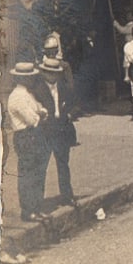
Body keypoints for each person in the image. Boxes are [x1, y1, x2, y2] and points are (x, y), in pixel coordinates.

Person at [5, 62, 52, 221]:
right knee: (28, 174)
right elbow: (32, 119)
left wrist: (41, 114)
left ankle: (37, 207)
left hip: (34, 134)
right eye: (30, 77)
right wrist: (40, 115)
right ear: (22, 78)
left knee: (38, 172)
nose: (32, 79)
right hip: (25, 136)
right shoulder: (17, 96)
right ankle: (28, 210)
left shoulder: (28, 93)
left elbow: (40, 108)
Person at [35, 57, 77, 208]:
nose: (53, 76)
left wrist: (69, 113)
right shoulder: (37, 89)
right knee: (42, 166)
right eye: (49, 73)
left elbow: (72, 101)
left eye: (55, 73)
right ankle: (38, 201)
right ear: (44, 73)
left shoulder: (63, 86)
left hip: (61, 130)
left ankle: (67, 196)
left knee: (63, 164)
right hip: (45, 132)